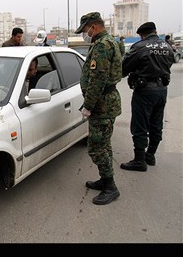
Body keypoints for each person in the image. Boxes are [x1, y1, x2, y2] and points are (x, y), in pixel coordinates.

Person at [75, 12, 122, 205]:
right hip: (107, 102)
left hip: (102, 105)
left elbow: (98, 79)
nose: (85, 34)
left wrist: (88, 106)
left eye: (85, 30)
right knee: (105, 145)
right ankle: (105, 179)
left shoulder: (102, 45)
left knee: (96, 147)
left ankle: (111, 187)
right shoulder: (112, 41)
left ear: (93, 27)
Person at [120, 22, 174, 172]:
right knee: (156, 124)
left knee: (140, 126)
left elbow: (124, 68)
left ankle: (139, 161)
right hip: (162, 90)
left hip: (144, 92)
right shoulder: (167, 46)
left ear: (141, 34)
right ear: (155, 32)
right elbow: (169, 64)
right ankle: (150, 155)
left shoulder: (140, 47)